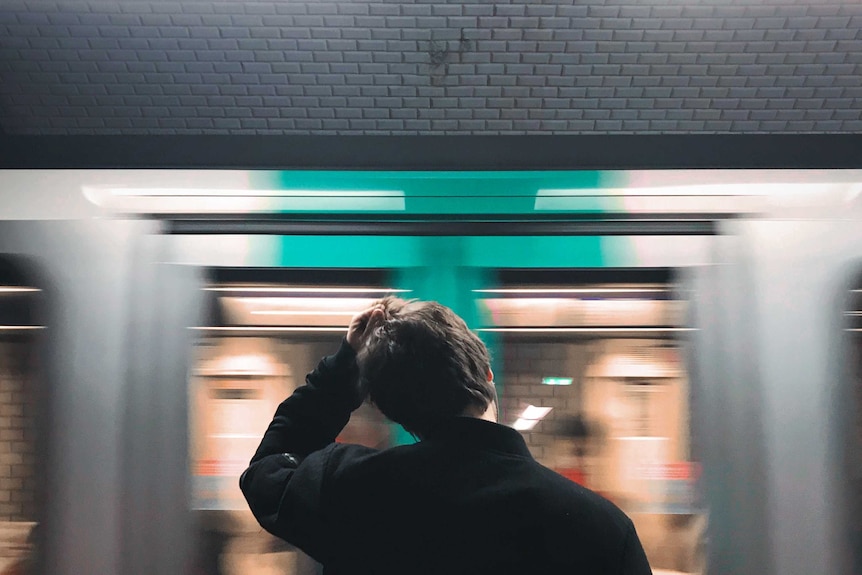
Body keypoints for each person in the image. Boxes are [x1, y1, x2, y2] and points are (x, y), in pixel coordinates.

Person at [240, 297, 652, 574]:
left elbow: (268, 469)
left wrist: (345, 369)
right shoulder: (601, 526)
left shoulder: (350, 489)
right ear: (489, 378)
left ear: (388, 408)